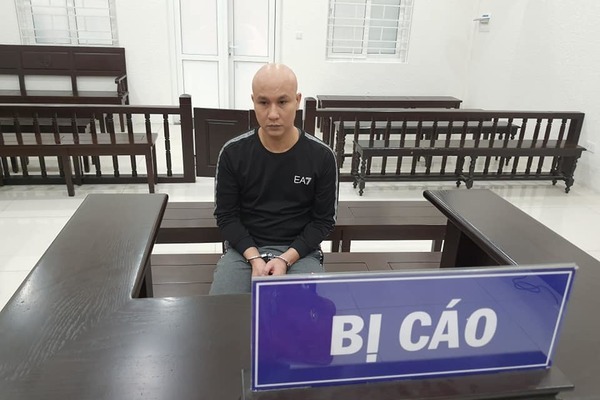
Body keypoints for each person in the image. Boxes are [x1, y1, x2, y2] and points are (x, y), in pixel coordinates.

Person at [209, 63, 338, 295]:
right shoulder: (233, 153)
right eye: (263, 103)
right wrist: (254, 257)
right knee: (224, 311)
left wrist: (285, 259)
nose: (273, 114)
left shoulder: (322, 156)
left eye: (282, 102)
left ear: (297, 101)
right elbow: (226, 216)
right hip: (244, 251)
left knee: (302, 311)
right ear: (253, 101)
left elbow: (323, 221)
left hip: (300, 252)